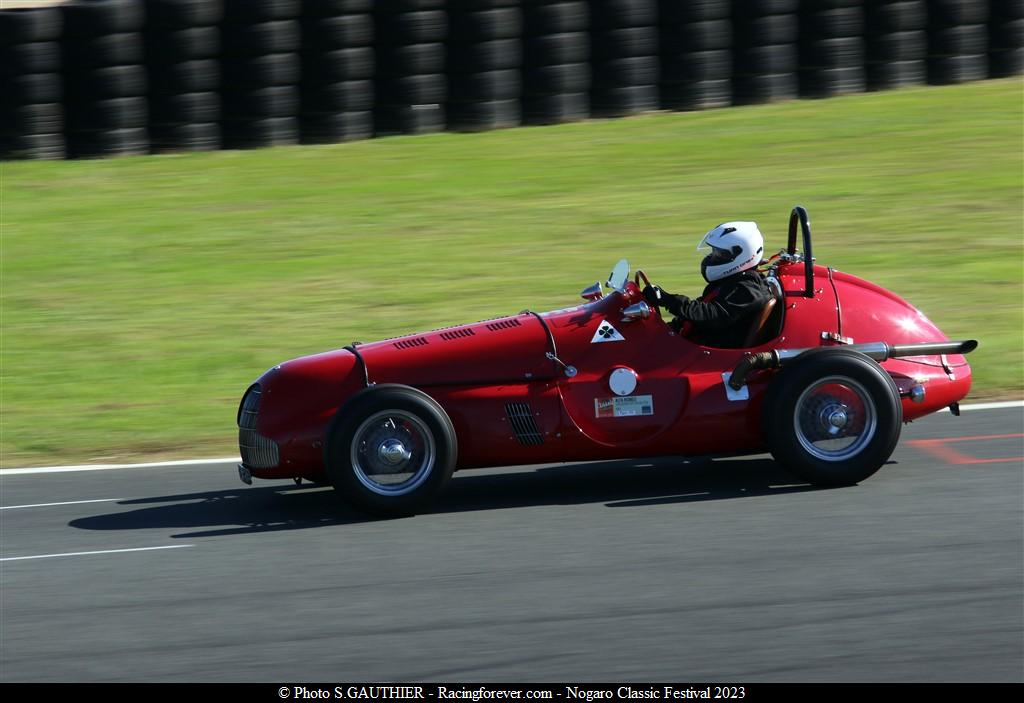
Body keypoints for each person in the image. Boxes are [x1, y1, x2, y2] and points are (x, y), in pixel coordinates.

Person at [642, 221, 772, 349]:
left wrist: (667, 299)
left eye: (720, 254)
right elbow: (701, 310)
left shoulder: (749, 291)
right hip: (694, 343)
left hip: (708, 358)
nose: (713, 257)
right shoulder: (733, 280)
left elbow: (710, 314)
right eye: (714, 251)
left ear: (743, 256)